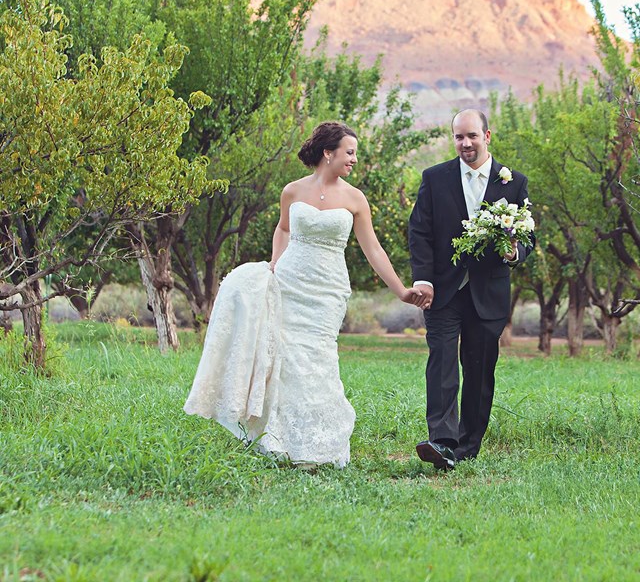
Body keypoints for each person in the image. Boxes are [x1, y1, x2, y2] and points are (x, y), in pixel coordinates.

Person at [184, 121, 429, 467]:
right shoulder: (292, 191)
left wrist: (401, 290)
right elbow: (283, 229)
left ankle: (321, 443)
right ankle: (279, 439)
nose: (354, 160)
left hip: (327, 289)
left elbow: (372, 249)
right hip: (291, 282)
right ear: (328, 153)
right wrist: (273, 264)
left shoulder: (355, 198)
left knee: (318, 357)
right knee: (285, 358)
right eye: (349, 152)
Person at [408, 109, 534, 470]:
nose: (465, 143)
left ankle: (467, 446)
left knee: (479, 371)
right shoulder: (434, 178)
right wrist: (423, 279)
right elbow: (419, 232)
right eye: (458, 137)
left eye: (472, 136)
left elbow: (528, 236)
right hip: (442, 292)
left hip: (488, 294)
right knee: (442, 363)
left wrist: (514, 251)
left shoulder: (514, 183)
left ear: (487, 136)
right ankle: (442, 443)